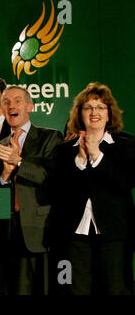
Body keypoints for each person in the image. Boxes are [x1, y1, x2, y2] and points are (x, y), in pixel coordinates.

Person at [47, 82, 135, 295]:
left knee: (115, 290)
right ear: (80, 113)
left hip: (114, 237)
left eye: (100, 107)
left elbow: (125, 183)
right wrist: (79, 161)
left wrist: (96, 156)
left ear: (109, 114)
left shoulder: (126, 145)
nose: (94, 112)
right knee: (70, 289)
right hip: (72, 238)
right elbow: (55, 190)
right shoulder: (64, 150)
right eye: (88, 107)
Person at [0, 85, 63, 295]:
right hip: (8, 232)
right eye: (6, 102)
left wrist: (19, 162)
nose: (11, 106)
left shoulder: (49, 137)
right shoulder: (0, 145)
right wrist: (4, 176)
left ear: (30, 106)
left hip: (39, 231)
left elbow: (50, 177)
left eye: (17, 101)